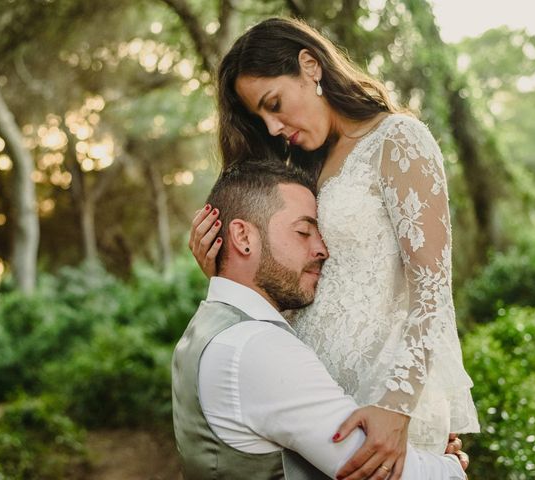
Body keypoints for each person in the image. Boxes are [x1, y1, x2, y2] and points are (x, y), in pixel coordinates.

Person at [189, 17, 479, 480]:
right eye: (260, 117)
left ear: (311, 66)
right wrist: (226, 270)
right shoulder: (305, 166)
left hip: (384, 396)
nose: (272, 125)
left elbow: (433, 288)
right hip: (316, 394)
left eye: (274, 104)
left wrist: (399, 407)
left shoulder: (397, 140)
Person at [173, 160, 469, 480]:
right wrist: (449, 465)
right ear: (243, 236)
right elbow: (376, 470)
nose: (322, 249)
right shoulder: (259, 348)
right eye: (303, 231)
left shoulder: (211, 329)